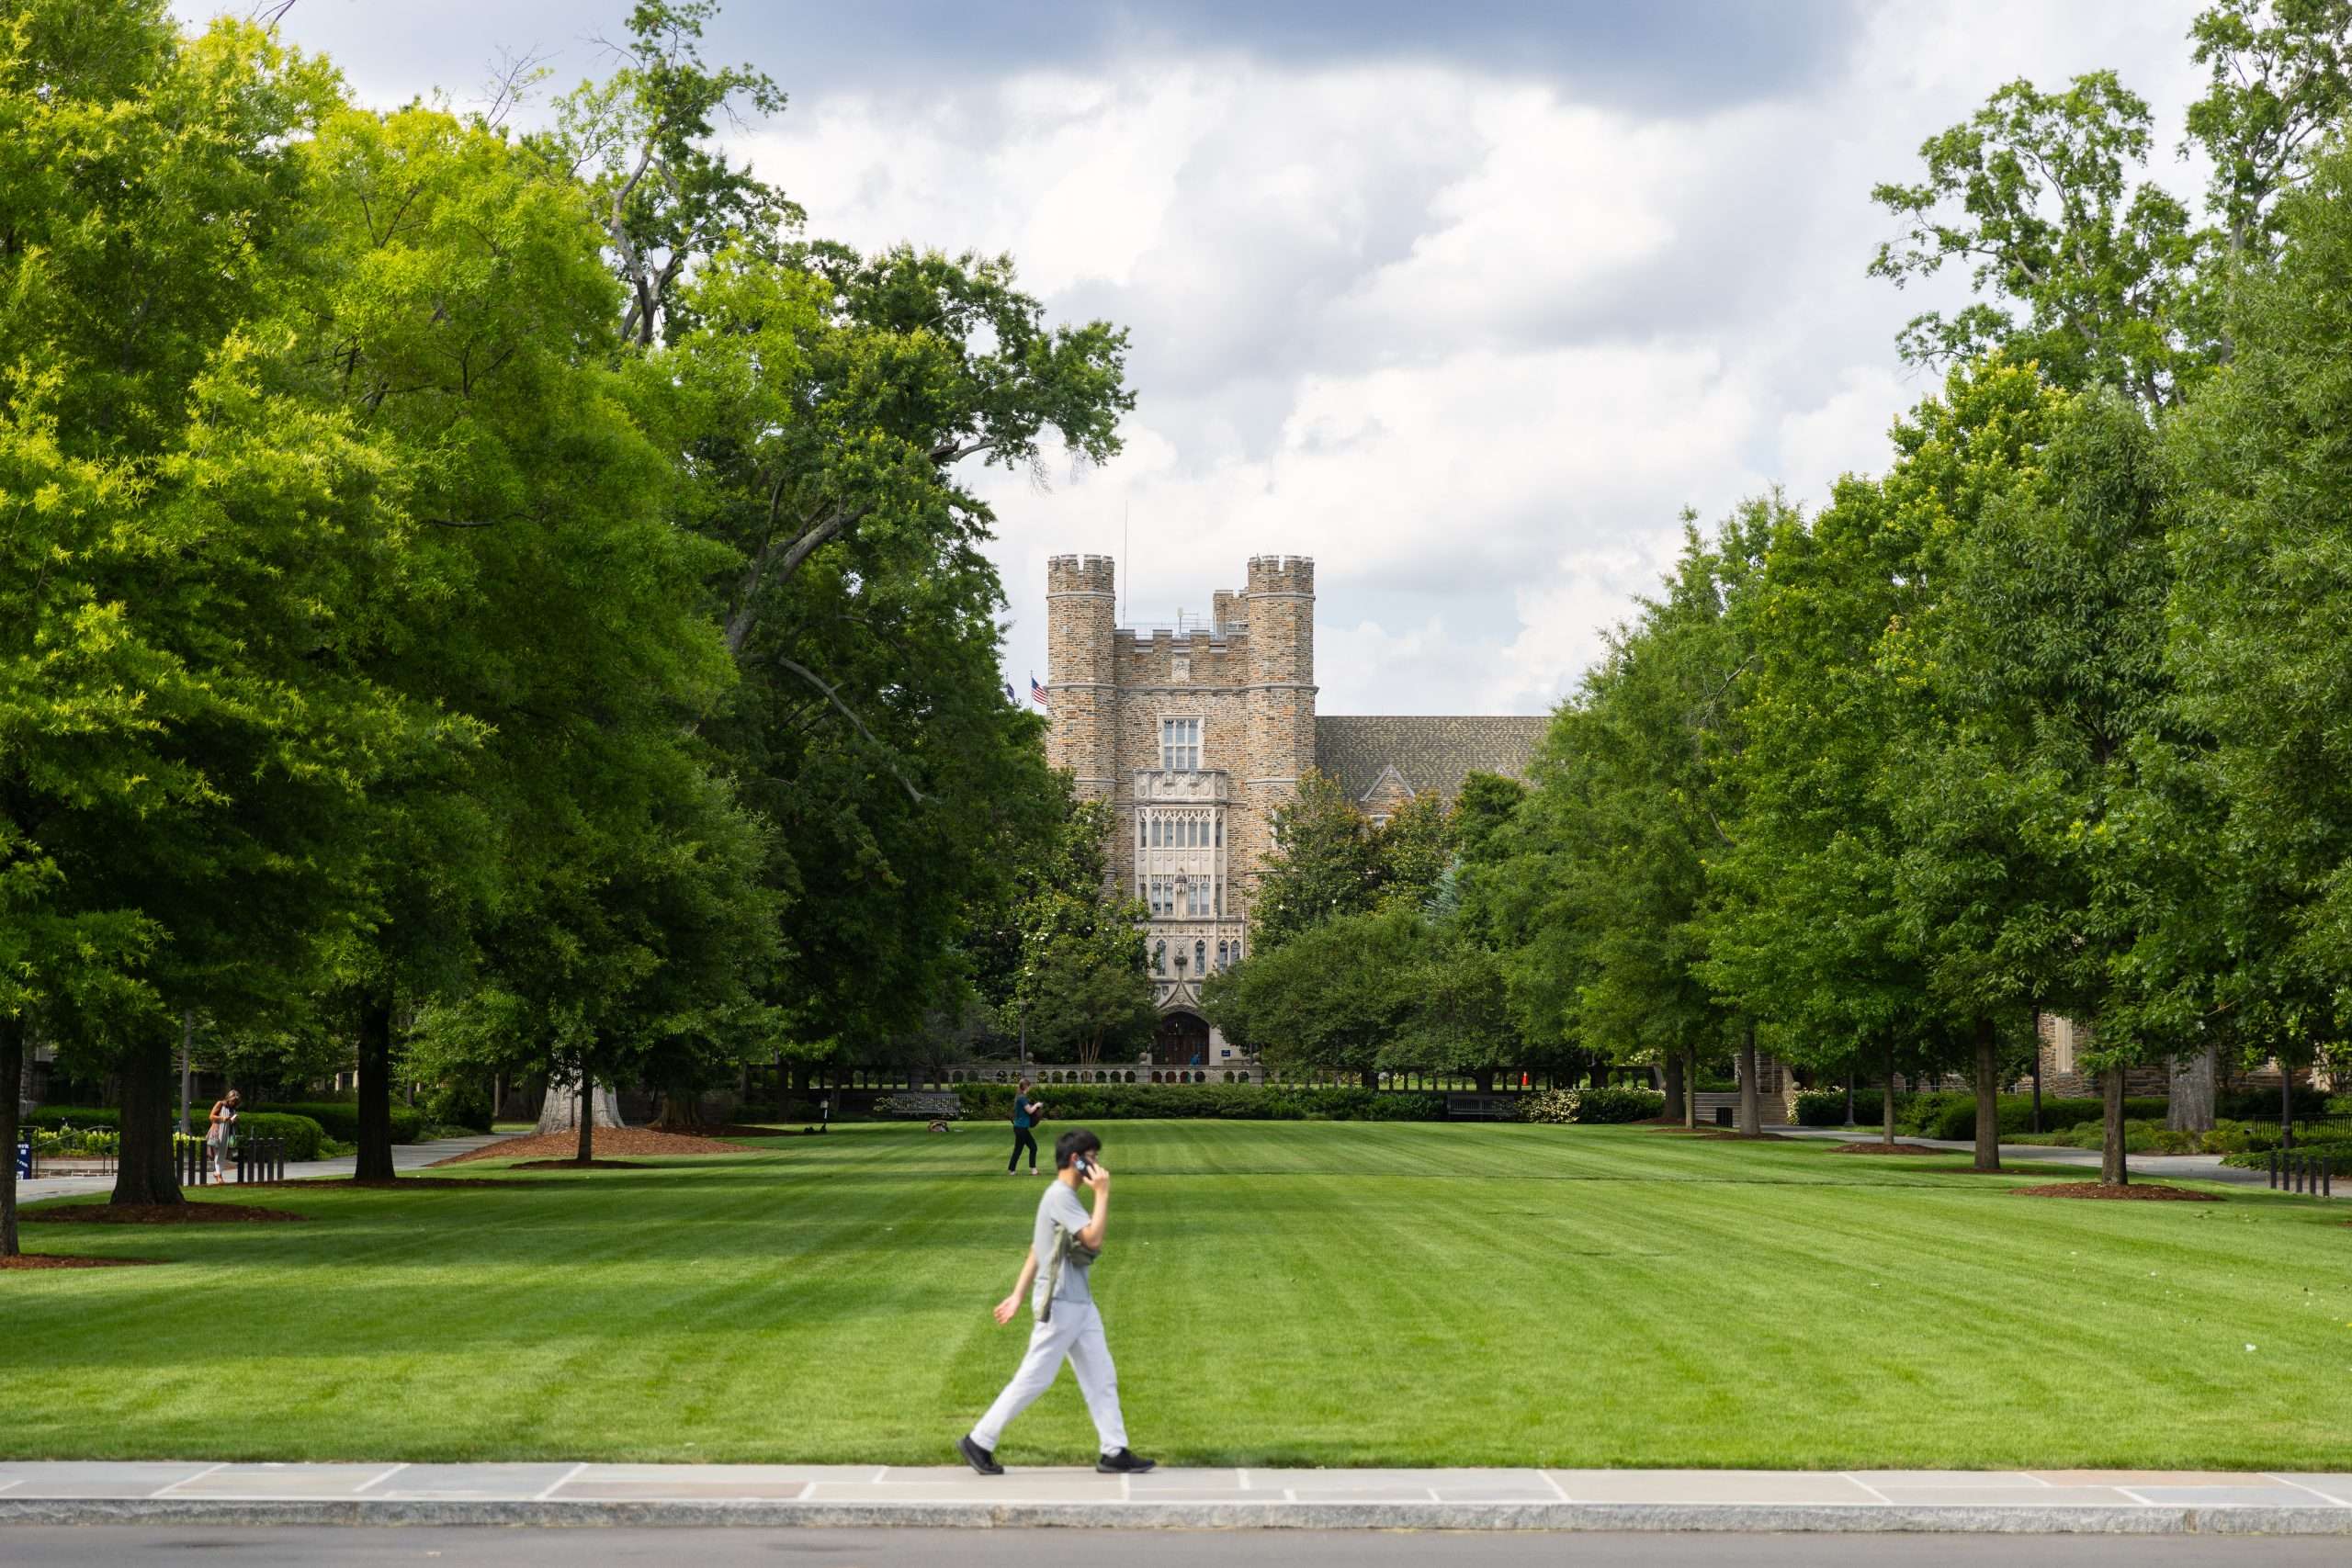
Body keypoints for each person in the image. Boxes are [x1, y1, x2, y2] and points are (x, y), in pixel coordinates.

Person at [959, 1128, 1153, 1476]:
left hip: (1080, 1302)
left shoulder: (1063, 1197)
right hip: (1061, 1303)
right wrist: (1103, 1195)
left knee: (1101, 1375)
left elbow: (1038, 1247)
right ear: (1076, 1160)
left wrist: (1017, 1294)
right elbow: (1092, 1240)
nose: (1097, 1165)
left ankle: (1114, 1450)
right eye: (1092, 1158)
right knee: (1035, 1377)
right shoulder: (1060, 1196)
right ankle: (979, 1439)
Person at [1007, 1081, 1045, 1175]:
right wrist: (1037, 1105)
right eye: (1029, 1086)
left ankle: (1032, 1170)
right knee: (1020, 1149)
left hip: (1021, 1127)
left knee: (1032, 1147)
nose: (1030, 1088)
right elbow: (1030, 1111)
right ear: (1026, 1087)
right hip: (1021, 1127)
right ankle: (1013, 1170)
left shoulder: (1020, 1097)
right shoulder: (1022, 1098)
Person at [205, 1089, 240, 1185]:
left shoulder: (232, 1109)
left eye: (236, 1102)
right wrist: (222, 1118)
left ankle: (218, 1174)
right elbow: (211, 1117)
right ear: (228, 1098)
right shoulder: (220, 1104)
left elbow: (230, 1122)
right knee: (218, 1153)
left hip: (227, 1132)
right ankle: (218, 1175)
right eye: (233, 1101)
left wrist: (234, 1120)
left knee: (222, 1154)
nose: (233, 1103)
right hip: (218, 1131)